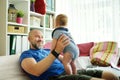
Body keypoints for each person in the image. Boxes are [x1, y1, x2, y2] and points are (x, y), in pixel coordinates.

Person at [19, 29, 119, 80]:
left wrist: (72, 52)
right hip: (57, 78)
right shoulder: (26, 54)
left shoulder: (46, 51)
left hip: (69, 72)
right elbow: (36, 71)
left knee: (111, 76)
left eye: (41, 37)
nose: (40, 39)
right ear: (29, 39)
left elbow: (65, 60)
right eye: (37, 37)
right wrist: (55, 51)